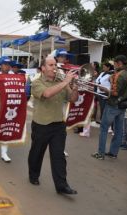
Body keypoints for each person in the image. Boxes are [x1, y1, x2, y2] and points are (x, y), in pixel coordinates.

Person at [28, 56, 79, 195]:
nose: (54, 67)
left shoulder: (61, 81)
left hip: (58, 125)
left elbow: (73, 99)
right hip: (41, 124)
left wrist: (75, 88)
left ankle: (62, 185)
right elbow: (47, 93)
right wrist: (66, 82)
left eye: (55, 65)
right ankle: (33, 175)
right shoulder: (36, 82)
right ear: (43, 68)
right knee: (37, 153)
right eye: (50, 65)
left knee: (59, 156)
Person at [92, 55, 127, 160]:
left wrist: (105, 90)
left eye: (115, 63)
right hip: (123, 105)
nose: (114, 65)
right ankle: (113, 153)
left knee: (104, 128)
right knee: (118, 130)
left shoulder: (119, 75)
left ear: (119, 63)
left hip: (113, 104)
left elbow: (115, 92)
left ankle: (100, 153)